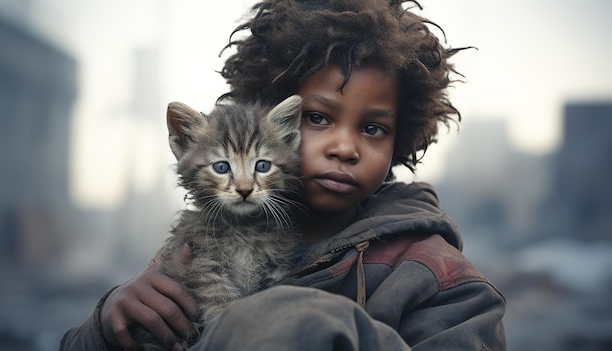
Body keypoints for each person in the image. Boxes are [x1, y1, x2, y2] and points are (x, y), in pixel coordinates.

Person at [60, 0, 506, 350]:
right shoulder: (202, 242)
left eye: (372, 129)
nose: (345, 147)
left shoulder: (438, 276)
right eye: (316, 119)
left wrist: (297, 323)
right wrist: (106, 325)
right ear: (273, 127)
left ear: (399, 142)